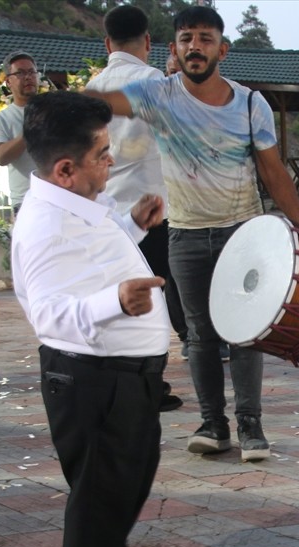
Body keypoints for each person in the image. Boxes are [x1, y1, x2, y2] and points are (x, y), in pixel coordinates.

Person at [85, 5, 299, 461]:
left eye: (203, 38)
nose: (194, 46)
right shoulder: (157, 95)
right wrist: (60, 116)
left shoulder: (249, 102)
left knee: (245, 332)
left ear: (223, 48)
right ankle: (213, 424)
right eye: (185, 38)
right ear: (174, 49)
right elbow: (101, 103)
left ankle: (251, 427)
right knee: (199, 335)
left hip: (243, 233)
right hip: (186, 235)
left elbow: (272, 170)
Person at [12, 91, 167, 547]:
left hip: (119, 373)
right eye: (102, 153)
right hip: (90, 375)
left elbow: (91, 262)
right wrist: (116, 303)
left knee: (128, 475)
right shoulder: (46, 224)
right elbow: (50, 313)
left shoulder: (71, 204)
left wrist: (133, 227)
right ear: (64, 168)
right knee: (102, 485)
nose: (110, 161)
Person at [86, 4, 184, 412]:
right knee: (152, 299)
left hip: (105, 210)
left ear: (107, 43)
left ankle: (113, 379)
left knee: (114, 297)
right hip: (152, 209)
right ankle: (151, 384)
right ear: (147, 41)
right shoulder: (155, 82)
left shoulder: (92, 88)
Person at [0, 51, 40, 212]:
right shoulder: (1, 119)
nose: (28, 77)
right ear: (8, 82)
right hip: (27, 201)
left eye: (32, 72)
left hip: (61, 196)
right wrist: (30, 129)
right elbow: (1, 157)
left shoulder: (54, 110)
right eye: (20, 73)